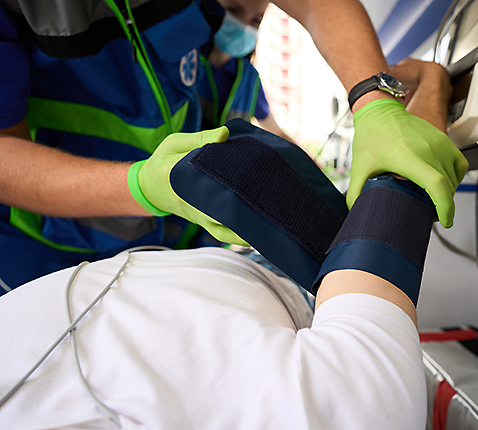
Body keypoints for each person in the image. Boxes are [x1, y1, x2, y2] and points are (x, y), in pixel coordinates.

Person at [0, 64, 450, 423]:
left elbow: (399, 188)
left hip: (193, 265)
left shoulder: (355, 401)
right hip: (261, 274)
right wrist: (430, 84)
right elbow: (400, 182)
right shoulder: (350, 400)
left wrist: (393, 101)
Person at [0, 0, 468, 292]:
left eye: (257, 16)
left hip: (166, 249)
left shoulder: (238, 73)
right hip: (44, 253)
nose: (244, 23)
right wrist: (143, 185)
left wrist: (374, 103)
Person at [198, 0, 295, 143]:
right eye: (233, 10)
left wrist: (307, 161)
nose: (243, 24)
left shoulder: (249, 78)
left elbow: (275, 132)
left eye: (256, 20)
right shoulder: (184, 62)